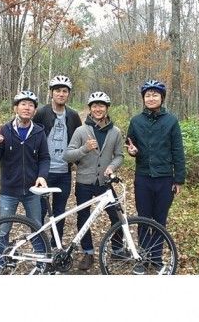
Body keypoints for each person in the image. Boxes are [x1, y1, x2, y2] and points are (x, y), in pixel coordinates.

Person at [125, 80, 186, 274]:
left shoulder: (171, 121)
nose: (151, 98)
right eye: (148, 95)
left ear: (162, 98)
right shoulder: (136, 121)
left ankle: (156, 257)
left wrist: (179, 179)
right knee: (143, 219)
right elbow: (130, 146)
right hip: (143, 177)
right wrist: (133, 152)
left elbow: (178, 150)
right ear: (143, 98)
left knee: (160, 220)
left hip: (165, 178)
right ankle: (142, 258)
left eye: (155, 95)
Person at [0, 90, 50, 273]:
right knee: (3, 229)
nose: (27, 108)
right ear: (16, 107)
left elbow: (44, 158)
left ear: (34, 110)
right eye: (23, 104)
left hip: (32, 190)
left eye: (31, 105)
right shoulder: (5, 130)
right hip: (9, 190)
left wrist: (42, 176)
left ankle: (42, 263)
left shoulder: (38, 132)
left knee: (37, 228)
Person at [63, 91, 124, 270]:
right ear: (90, 109)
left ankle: (117, 248)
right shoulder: (81, 131)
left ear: (106, 109)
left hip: (105, 183)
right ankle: (87, 252)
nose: (98, 109)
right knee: (83, 217)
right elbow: (67, 155)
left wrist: (112, 167)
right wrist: (84, 149)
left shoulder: (115, 132)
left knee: (117, 216)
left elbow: (119, 155)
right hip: (84, 182)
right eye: (95, 106)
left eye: (101, 106)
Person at [32, 75, 82, 247]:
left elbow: (79, 140)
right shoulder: (41, 113)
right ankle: (39, 247)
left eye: (64, 91)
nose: (61, 94)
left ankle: (56, 244)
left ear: (68, 94)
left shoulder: (73, 116)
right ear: (51, 93)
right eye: (57, 91)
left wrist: (78, 162)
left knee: (60, 211)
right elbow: (32, 137)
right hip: (43, 173)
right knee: (40, 211)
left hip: (64, 173)